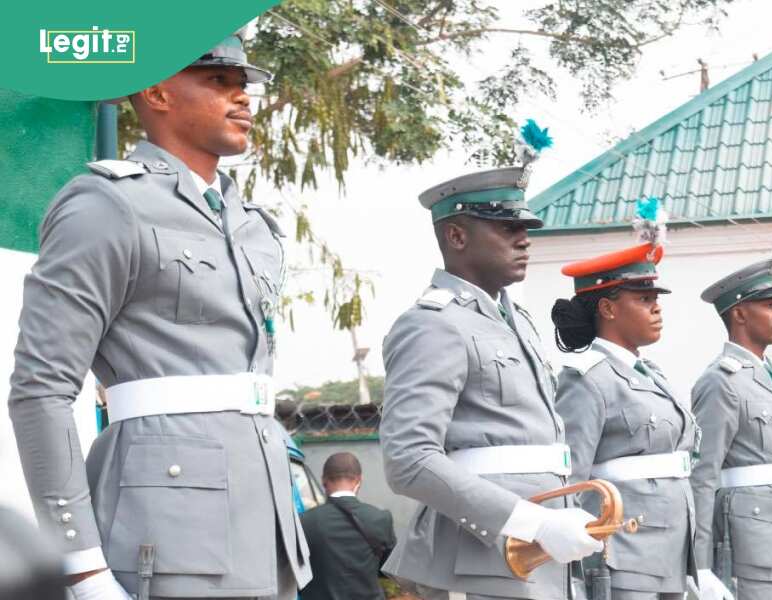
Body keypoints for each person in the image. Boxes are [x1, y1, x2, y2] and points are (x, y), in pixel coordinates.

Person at [8, 29, 310, 600]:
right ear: (157, 92)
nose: (242, 97)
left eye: (244, 84)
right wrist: (82, 567)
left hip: (266, 526)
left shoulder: (254, 225)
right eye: (219, 81)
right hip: (167, 531)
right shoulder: (106, 204)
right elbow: (40, 391)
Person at [378, 156, 601, 600]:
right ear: (456, 235)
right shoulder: (433, 323)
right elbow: (408, 459)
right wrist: (532, 522)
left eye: (525, 230)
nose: (524, 241)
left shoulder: (516, 320)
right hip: (479, 557)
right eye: (506, 229)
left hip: (536, 552)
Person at [551, 240, 698, 599]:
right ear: (607, 308)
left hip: (670, 550)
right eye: (644, 299)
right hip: (622, 555)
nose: (657, 309)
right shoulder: (586, 379)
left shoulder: (651, 373)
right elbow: (572, 482)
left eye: (656, 299)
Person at [691, 255, 772, 600]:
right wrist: (700, 565)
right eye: (770, 306)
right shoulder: (721, 381)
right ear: (740, 313)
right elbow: (703, 475)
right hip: (749, 548)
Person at [300, 453, 396, 600]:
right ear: (359, 480)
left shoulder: (305, 521)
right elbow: (388, 569)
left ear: (324, 480)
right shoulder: (380, 518)